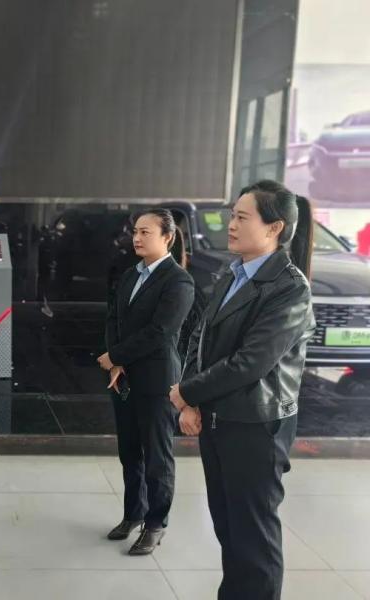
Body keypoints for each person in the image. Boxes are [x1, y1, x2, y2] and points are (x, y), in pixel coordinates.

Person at [170, 180, 316, 600]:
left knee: (253, 540)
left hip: (257, 426)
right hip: (220, 418)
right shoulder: (231, 273)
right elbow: (199, 338)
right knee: (229, 529)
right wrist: (192, 401)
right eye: (232, 216)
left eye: (241, 217)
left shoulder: (289, 288)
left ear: (274, 227)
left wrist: (187, 392)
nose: (230, 225)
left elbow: (251, 363)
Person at [98, 208, 195, 555]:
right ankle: (133, 514)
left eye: (145, 232)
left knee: (157, 457)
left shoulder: (178, 281)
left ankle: (156, 523)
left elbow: (160, 332)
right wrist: (115, 363)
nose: (137, 238)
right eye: (135, 232)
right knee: (130, 452)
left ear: (167, 237)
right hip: (123, 378)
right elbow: (113, 318)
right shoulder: (130, 274)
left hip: (156, 381)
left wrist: (116, 356)